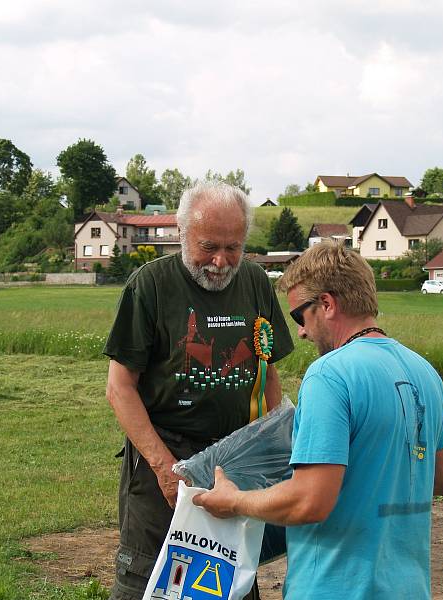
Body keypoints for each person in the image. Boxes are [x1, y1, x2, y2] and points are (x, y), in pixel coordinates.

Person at [194, 241, 443, 599]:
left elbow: (309, 501)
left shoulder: (329, 375)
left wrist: (234, 500)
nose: (300, 332)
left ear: (327, 304)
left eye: (299, 317)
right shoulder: (424, 372)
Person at [103, 181, 295, 600]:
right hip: (165, 464)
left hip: (237, 460)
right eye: (209, 246)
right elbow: (120, 389)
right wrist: (164, 469)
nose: (221, 261)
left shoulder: (256, 283)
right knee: (150, 581)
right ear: (182, 231)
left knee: (230, 578)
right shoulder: (150, 285)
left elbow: (269, 375)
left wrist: (274, 452)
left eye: (233, 247)